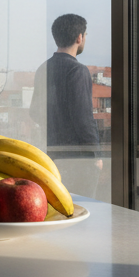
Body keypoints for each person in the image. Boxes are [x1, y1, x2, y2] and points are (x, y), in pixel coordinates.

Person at [30, 14, 103, 199]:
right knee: (82, 209)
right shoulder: (77, 70)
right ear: (79, 37)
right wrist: (95, 155)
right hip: (77, 160)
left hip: (51, 155)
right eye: (85, 35)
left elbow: (34, 112)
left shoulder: (43, 68)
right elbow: (84, 119)